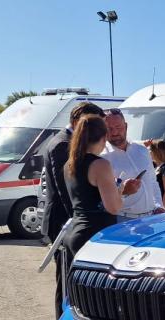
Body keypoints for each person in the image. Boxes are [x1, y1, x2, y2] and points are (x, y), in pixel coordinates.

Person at [63, 114, 124, 279]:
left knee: (76, 296)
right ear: (104, 137)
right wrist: (120, 191)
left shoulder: (69, 164)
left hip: (76, 231)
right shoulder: (101, 165)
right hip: (95, 236)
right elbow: (113, 207)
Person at [39, 102, 105, 244]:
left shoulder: (70, 142)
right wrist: (78, 221)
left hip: (72, 222)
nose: (95, 130)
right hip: (64, 220)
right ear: (76, 122)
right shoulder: (63, 144)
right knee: (66, 265)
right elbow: (65, 188)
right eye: (91, 124)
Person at [100, 108, 161, 222]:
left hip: (152, 218)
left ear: (126, 126)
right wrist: (123, 191)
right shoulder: (102, 158)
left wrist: (159, 206)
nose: (114, 132)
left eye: (118, 127)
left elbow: (152, 181)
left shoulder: (142, 150)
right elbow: (102, 199)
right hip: (122, 220)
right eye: (109, 129)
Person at [148, 139, 165, 211]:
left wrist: (162, 209)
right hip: (154, 205)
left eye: (150, 150)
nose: (148, 152)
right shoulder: (155, 166)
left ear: (156, 152)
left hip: (161, 207)